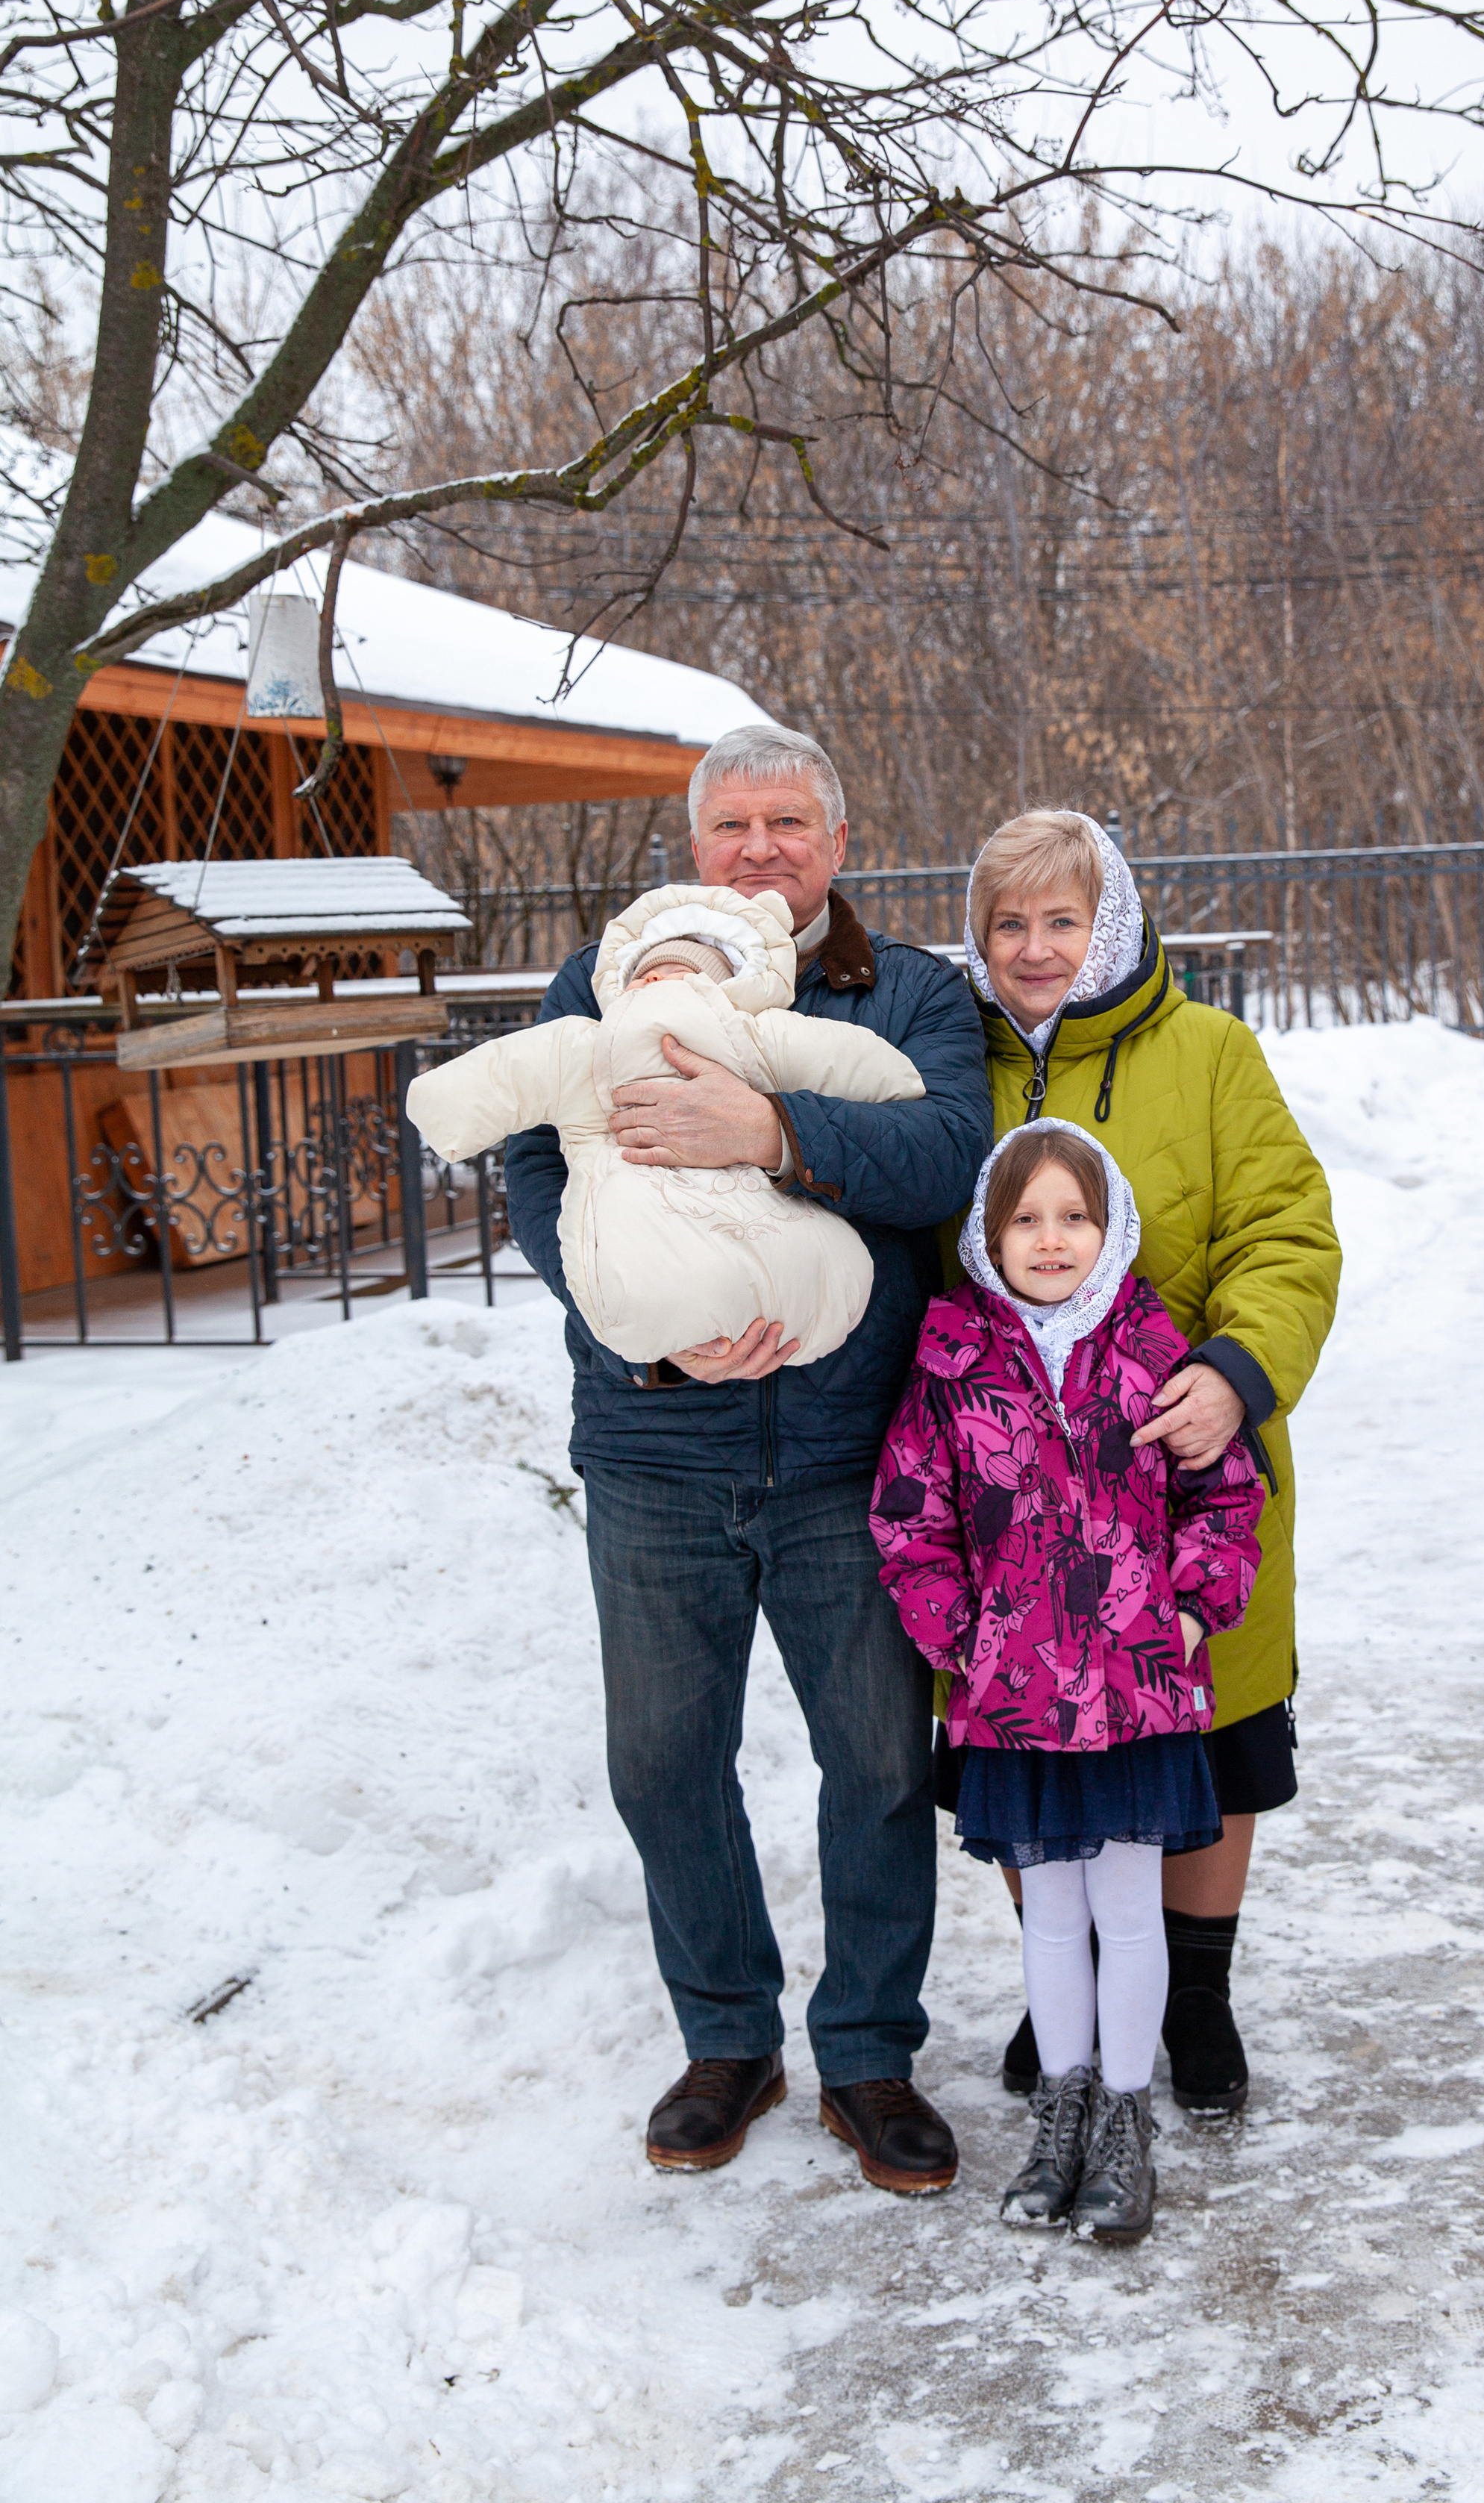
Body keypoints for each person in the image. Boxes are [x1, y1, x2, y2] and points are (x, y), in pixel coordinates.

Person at [502, 725, 995, 2190]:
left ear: (836, 844)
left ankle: (866, 2055)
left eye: (790, 822)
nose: (761, 848)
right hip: (655, 1446)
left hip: (855, 1458)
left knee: (875, 1766)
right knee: (662, 1766)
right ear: (696, 844)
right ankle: (728, 2036)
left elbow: (950, 1155)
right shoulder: (597, 985)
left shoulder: (906, 994)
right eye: (734, 825)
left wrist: (770, 1126)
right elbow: (536, 1173)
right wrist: (642, 1328)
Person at [954, 807, 1341, 2111]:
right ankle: (1056, 1978)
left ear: (1111, 921)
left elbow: (1288, 1236)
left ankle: (1199, 1995)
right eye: (1009, 923)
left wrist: (1235, 1378)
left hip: (1182, 1471)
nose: (1035, 946)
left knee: (1211, 1732)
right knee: (1028, 1741)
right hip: (1015, 1493)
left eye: (1062, 918)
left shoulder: (1210, 1053)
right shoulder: (959, 1062)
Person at [873, 1122, 1265, 2240]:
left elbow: (1225, 1492)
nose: (1052, 1240)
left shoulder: (1154, 1347)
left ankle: (1126, 2120)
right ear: (991, 1237)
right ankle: (1063, 2111)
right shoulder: (952, 1353)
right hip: (1014, 1697)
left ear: (1112, 1228)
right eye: (1027, 1219)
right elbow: (911, 1509)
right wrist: (959, 1631)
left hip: (1138, 1692)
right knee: (1049, 1915)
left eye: (1076, 1217)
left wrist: (1188, 1609)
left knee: (1128, 1911)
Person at [405, 881, 925, 1368]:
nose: (655, 982)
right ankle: (674, 1318)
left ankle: (799, 1298)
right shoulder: (588, 1042)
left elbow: (836, 1056)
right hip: (636, 1190)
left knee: (823, 1261)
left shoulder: (749, 1033)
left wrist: (889, 1085)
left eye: (679, 972)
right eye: (645, 975)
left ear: (724, 987)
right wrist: (444, 1107)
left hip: (749, 1190)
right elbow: (512, 1072)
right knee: (643, 1261)